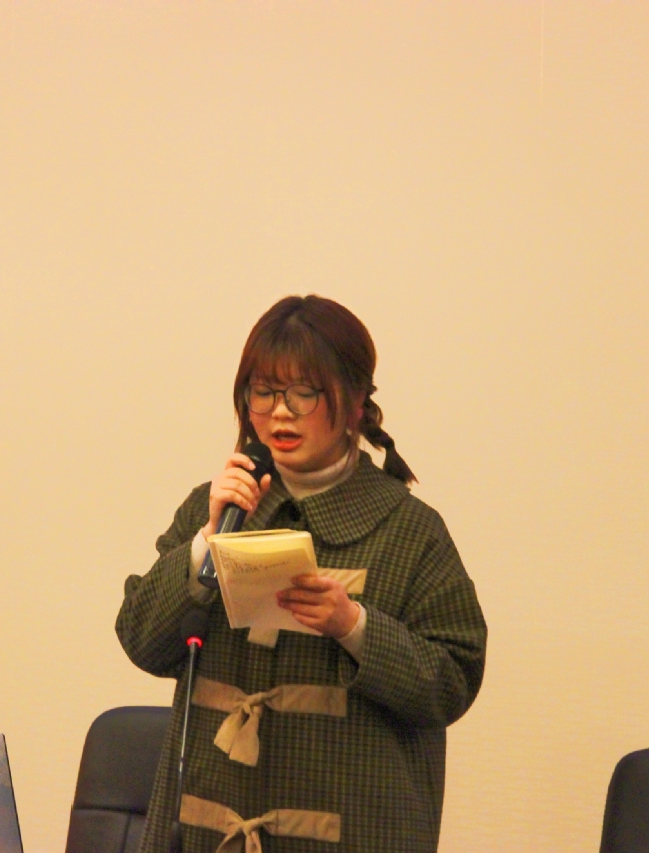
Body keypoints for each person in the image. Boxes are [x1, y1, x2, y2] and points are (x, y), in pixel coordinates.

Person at [116, 295, 487, 853]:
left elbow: (453, 682)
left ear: (356, 402)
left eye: (303, 393)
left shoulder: (409, 530)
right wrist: (204, 545)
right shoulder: (214, 509)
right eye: (263, 392)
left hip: (352, 835)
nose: (280, 413)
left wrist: (354, 626)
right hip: (208, 830)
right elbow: (140, 640)